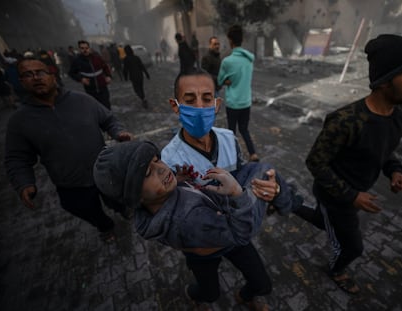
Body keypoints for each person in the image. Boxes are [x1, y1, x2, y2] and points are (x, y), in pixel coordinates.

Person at [93, 140, 272, 311]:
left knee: (258, 283)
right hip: (221, 244)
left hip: (217, 236)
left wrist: (179, 180)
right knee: (211, 293)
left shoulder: (157, 199)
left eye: (157, 160)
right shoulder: (187, 220)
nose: (162, 169)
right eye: (148, 172)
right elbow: (241, 234)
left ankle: (245, 296)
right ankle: (193, 295)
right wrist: (237, 194)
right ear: (134, 197)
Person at [301, 34, 402, 294]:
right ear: (385, 82)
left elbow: (383, 151)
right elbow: (315, 162)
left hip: (352, 196)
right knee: (352, 247)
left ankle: (287, 202)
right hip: (335, 197)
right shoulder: (345, 120)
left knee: (321, 220)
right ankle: (336, 270)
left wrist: (395, 170)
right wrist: (352, 196)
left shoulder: (399, 116)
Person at [4, 58, 134, 243]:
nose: (35, 78)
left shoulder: (82, 100)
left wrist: (118, 132)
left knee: (117, 197)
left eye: (40, 72)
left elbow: (109, 119)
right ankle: (105, 226)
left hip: (104, 170)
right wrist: (24, 183)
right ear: (22, 82)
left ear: (53, 76)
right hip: (69, 183)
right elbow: (17, 158)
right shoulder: (20, 120)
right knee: (84, 209)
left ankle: (122, 209)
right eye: (27, 74)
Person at [161, 70, 301, 214]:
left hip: (239, 209)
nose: (199, 107)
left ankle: (286, 202)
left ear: (216, 104)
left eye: (207, 99)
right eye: (190, 100)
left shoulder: (228, 138)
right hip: (212, 223)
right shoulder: (169, 160)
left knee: (264, 170)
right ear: (175, 106)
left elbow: (243, 174)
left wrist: (270, 189)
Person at [217, 25, 259, 162]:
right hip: (246, 101)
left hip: (233, 102)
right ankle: (252, 153)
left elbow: (220, 80)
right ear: (242, 40)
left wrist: (227, 81)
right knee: (244, 129)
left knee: (231, 132)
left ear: (230, 41)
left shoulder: (227, 61)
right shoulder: (249, 60)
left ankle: (232, 157)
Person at [69, 40, 113, 109]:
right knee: (96, 109)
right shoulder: (77, 61)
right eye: (82, 48)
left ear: (89, 48)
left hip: (103, 88)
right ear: (79, 49)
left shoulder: (97, 57)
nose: (85, 50)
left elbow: (105, 67)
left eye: (86, 48)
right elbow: (71, 73)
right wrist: (81, 79)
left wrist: (108, 76)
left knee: (107, 107)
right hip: (90, 90)